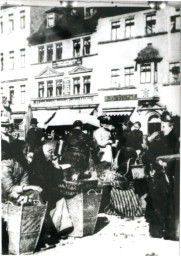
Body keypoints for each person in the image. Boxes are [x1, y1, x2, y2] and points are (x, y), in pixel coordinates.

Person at [143, 111, 179, 239]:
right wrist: (156, 162)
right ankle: (159, 231)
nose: (162, 129)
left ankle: (169, 232)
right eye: (162, 126)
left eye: (164, 126)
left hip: (172, 175)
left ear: (171, 126)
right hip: (161, 176)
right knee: (159, 202)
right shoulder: (160, 139)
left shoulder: (176, 140)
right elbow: (148, 155)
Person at [29, 142, 72, 243]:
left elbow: (57, 178)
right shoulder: (39, 161)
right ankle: (56, 230)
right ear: (49, 151)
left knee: (60, 198)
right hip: (39, 190)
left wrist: (56, 164)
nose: (52, 155)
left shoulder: (45, 160)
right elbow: (46, 180)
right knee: (59, 198)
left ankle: (60, 228)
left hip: (45, 188)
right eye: (51, 153)